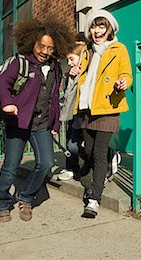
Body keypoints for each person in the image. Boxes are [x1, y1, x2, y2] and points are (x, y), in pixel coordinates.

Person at [0, 17, 74, 223]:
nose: (45, 52)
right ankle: (1, 202)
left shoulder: (55, 67)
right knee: (11, 166)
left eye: (50, 48)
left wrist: (55, 123)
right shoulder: (20, 62)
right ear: (32, 43)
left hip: (41, 125)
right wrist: (7, 102)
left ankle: (26, 197)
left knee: (45, 164)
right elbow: (1, 84)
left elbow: (55, 97)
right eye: (41, 46)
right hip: (17, 122)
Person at [74, 10, 132, 218]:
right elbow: (82, 76)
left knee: (97, 152)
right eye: (93, 26)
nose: (97, 31)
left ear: (109, 29)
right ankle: (111, 155)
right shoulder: (87, 52)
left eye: (101, 26)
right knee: (89, 151)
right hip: (87, 107)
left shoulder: (119, 49)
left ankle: (93, 199)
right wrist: (73, 72)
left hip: (108, 106)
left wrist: (123, 82)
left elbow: (126, 72)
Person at [57, 42, 86, 181]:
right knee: (71, 140)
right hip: (72, 112)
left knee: (78, 143)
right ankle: (71, 167)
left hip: (84, 112)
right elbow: (67, 93)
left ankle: (109, 155)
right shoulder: (70, 73)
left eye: (72, 59)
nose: (69, 63)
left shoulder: (88, 70)